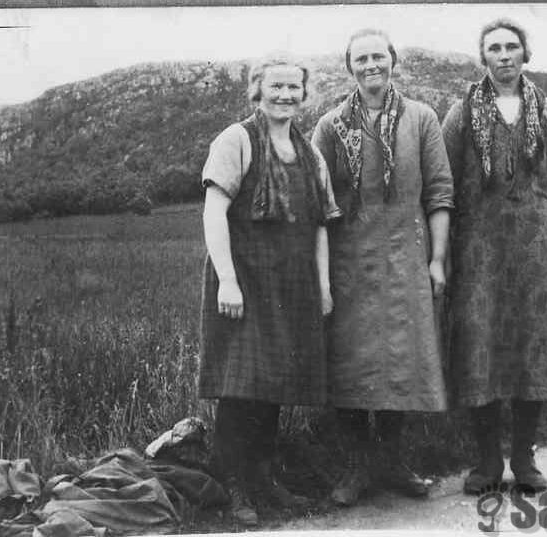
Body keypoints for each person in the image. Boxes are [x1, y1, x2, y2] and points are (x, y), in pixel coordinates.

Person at [441, 18, 547, 495]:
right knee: (477, 350)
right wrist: (440, 255)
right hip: (477, 254)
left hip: (536, 254)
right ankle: (486, 461)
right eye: (494, 49)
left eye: (511, 47)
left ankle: (524, 459)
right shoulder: (460, 114)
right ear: (482, 57)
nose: (503, 56)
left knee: (535, 350)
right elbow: (441, 190)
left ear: (526, 54)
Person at [311, 29, 454, 506]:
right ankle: (357, 464)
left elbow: (439, 193)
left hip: (405, 261)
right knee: (351, 363)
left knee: (401, 362)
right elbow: (318, 203)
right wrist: (323, 272)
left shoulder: (422, 119)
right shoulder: (331, 126)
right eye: (361, 58)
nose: (371, 65)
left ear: (393, 60)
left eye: (379, 56)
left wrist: (435, 259)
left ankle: (391, 460)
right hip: (350, 263)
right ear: (348, 66)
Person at [198, 56, 341, 526]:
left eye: (293, 87)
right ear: (257, 90)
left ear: (304, 93)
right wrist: (228, 280)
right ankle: (231, 482)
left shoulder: (309, 152)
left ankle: (263, 479)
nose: (285, 95)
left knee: (274, 383)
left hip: (291, 284)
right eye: (275, 86)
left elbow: (321, 225)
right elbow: (214, 212)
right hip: (244, 280)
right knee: (240, 385)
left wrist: (322, 286)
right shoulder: (236, 139)